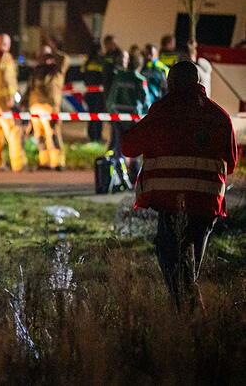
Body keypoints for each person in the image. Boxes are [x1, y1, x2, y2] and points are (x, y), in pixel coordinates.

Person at [121, 61, 236, 311]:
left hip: (172, 202)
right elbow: (231, 163)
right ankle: (190, 318)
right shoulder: (219, 116)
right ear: (198, 82)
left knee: (173, 262)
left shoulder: (162, 112)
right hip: (207, 204)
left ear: (171, 83)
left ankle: (189, 315)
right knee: (189, 267)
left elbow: (129, 146)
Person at [0, 34, 24, 172]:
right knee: (14, 132)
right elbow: (9, 79)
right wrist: (12, 96)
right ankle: (18, 164)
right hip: (3, 102)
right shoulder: (6, 58)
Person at [23, 51, 67, 170]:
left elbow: (65, 59)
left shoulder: (56, 71)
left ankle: (58, 162)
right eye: (43, 56)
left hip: (49, 107)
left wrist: (53, 48)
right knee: (40, 136)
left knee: (53, 134)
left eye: (48, 56)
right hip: (35, 107)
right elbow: (29, 89)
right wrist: (24, 102)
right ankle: (44, 162)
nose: (45, 59)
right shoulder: (36, 72)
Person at [81, 42, 106, 142]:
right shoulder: (101, 61)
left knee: (91, 115)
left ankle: (91, 135)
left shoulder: (87, 62)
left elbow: (82, 75)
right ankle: (97, 136)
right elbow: (104, 76)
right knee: (98, 116)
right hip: (98, 93)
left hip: (89, 92)